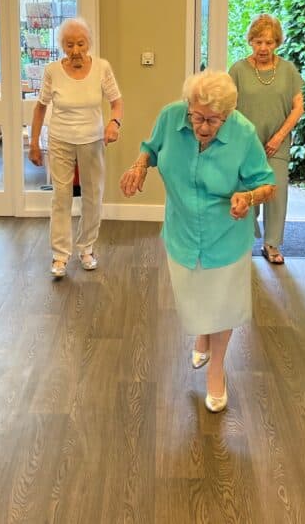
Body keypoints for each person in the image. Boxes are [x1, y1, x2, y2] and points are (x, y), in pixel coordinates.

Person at [120, 71, 275, 412]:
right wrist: (139, 166)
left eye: (213, 120)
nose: (203, 127)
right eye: (197, 118)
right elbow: (151, 148)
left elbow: (267, 184)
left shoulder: (243, 133)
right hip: (184, 230)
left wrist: (248, 197)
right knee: (195, 296)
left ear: (228, 115)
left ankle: (216, 370)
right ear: (188, 106)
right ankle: (203, 334)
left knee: (224, 303)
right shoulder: (171, 117)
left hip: (227, 234)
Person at [29, 18, 123, 278]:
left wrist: (114, 123)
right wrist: (34, 142)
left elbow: (116, 102)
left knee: (93, 195)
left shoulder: (101, 68)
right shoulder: (52, 71)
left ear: (89, 43)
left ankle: (87, 248)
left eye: (80, 43)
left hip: (93, 140)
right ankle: (60, 256)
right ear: (62, 46)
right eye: (69, 44)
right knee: (61, 197)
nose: (76, 49)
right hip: (60, 139)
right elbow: (40, 108)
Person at [229, 14, 304, 265]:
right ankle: (243, 244)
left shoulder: (288, 70)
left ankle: (272, 245)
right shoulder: (238, 70)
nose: (263, 48)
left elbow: (298, 108)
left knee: (276, 192)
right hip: (246, 144)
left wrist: (279, 137)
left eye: (269, 43)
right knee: (248, 191)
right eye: (258, 42)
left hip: (277, 143)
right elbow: (228, 107)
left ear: (277, 43)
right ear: (250, 41)